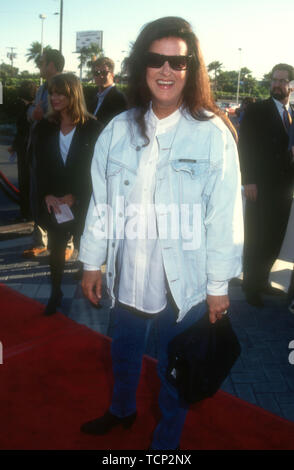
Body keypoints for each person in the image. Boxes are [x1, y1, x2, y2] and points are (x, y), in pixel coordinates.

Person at [79, 16, 243, 450]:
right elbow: (102, 202)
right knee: (123, 355)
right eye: (156, 59)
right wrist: (92, 261)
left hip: (182, 287)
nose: (166, 71)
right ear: (141, 65)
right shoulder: (117, 130)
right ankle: (121, 410)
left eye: (178, 62)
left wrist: (217, 286)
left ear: (192, 70)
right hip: (128, 277)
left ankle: (164, 449)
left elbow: (224, 217)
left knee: (174, 375)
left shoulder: (212, 135)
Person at [34, 73, 102, 316]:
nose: (54, 97)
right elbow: (39, 167)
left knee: (88, 250)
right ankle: (55, 292)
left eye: (60, 92)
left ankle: (93, 290)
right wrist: (47, 196)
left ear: (73, 94)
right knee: (56, 249)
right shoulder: (44, 127)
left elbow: (98, 170)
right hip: (55, 203)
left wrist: (77, 196)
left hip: (83, 203)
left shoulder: (93, 127)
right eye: (52, 92)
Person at [238, 64, 294, 307]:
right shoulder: (257, 110)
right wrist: (248, 179)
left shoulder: (292, 112)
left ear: (292, 86)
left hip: (284, 189)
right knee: (256, 237)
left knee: (274, 238)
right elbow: (245, 145)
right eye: (274, 80)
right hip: (259, 186)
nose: (277, 85)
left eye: (283, 81)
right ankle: (250, 285)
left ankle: (263, 281)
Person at [23, 49, 74, 261]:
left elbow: (67, 114)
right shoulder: (42, 88)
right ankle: (40, 240)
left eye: (42, 63)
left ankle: (66, 242)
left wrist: (40, 114)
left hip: (57, 150)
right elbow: (30, 114)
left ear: (52, 65)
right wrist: (34, 114)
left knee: (61, 193)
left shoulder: (68, 86)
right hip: (38, 150)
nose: (39, 66)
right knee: (39, 195)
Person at [8, 80, 37, 220]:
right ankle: (27, 212)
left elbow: (23, 132)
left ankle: (26, 213)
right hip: (25, 149)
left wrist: (15, 145)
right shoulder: (31, 108)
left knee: (25, 182)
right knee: (27, 182)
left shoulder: (29, 110)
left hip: (25, 151)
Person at [89, 56, 127, 128]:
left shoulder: (120, 99)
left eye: (104, 72)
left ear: (112, 75)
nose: (101, 76)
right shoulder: (93, 98)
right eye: (97, 73)